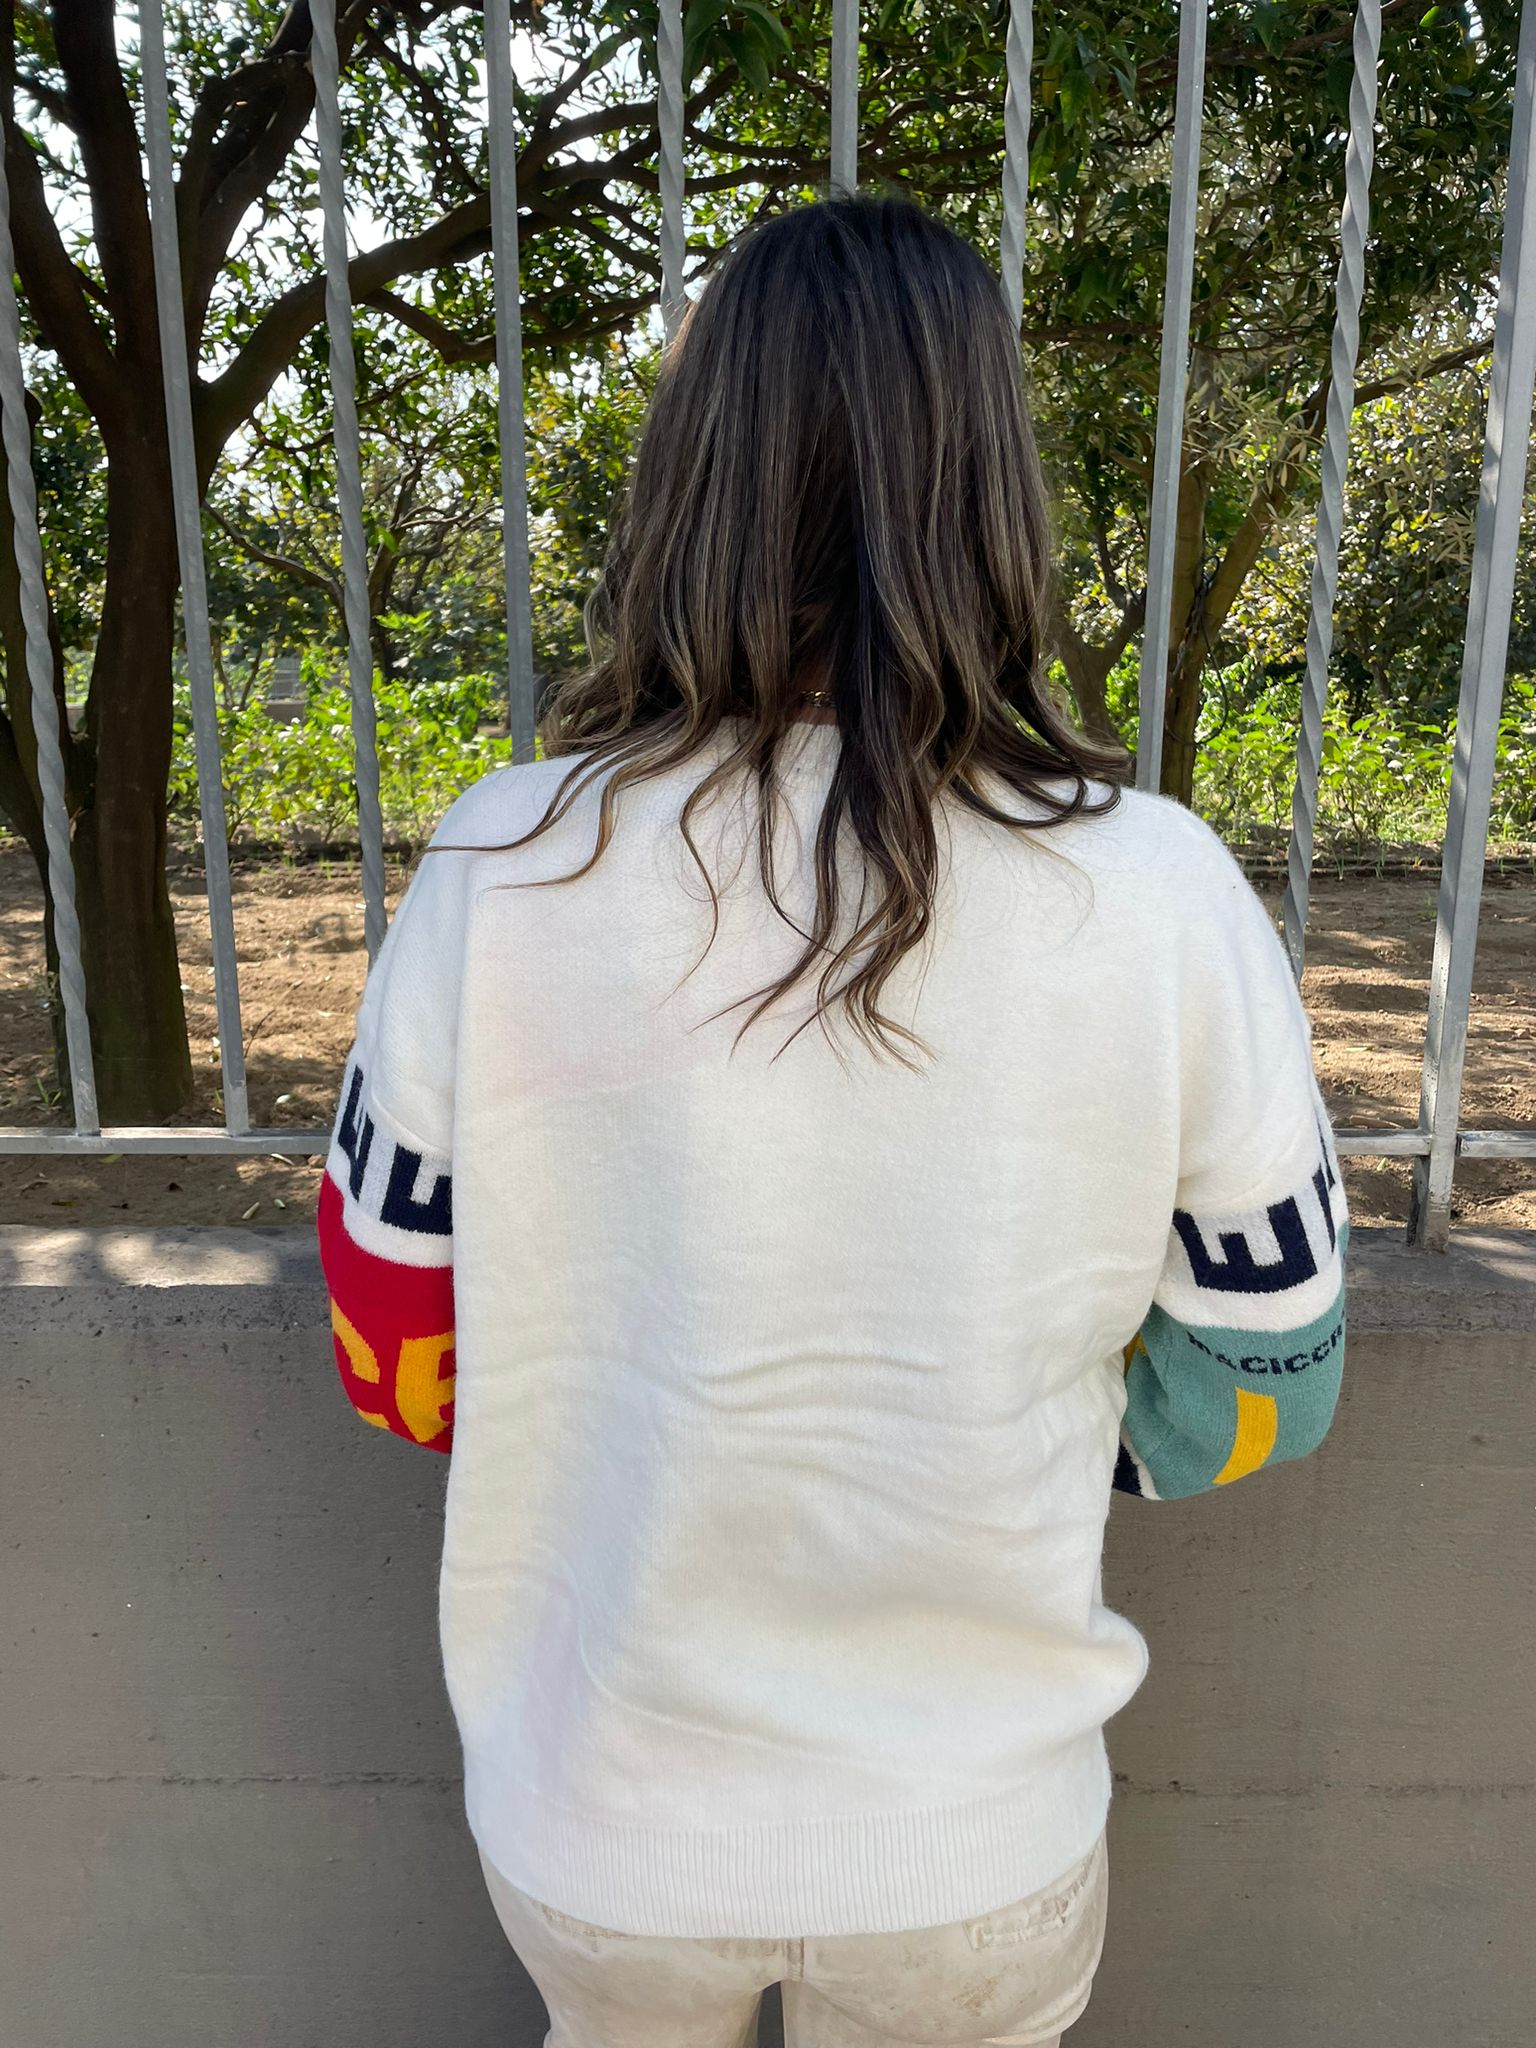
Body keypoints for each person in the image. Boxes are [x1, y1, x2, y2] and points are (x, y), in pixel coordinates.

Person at [316, 193, 1348, 2048]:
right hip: (976, 1845)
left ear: (687, 480)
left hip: (600, 1828)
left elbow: (391, 1345)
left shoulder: (500, 861)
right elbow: (1273, 1372)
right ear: (996, 495)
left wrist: (614, 1436)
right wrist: (1019, 1451)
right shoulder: (1163, 890)